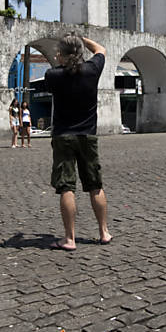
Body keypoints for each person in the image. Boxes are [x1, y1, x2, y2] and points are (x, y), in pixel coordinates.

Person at [42, 33, 112, 250]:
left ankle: (69, 238)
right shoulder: (92, 70)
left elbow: (60, 75)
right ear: (81, 52)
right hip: (87, 135)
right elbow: (101, 49)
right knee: (95, 185)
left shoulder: (53, 75)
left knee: (66, 187)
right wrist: (83, 38)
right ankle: (104, 231)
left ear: (61, 55)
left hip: (63, 135)